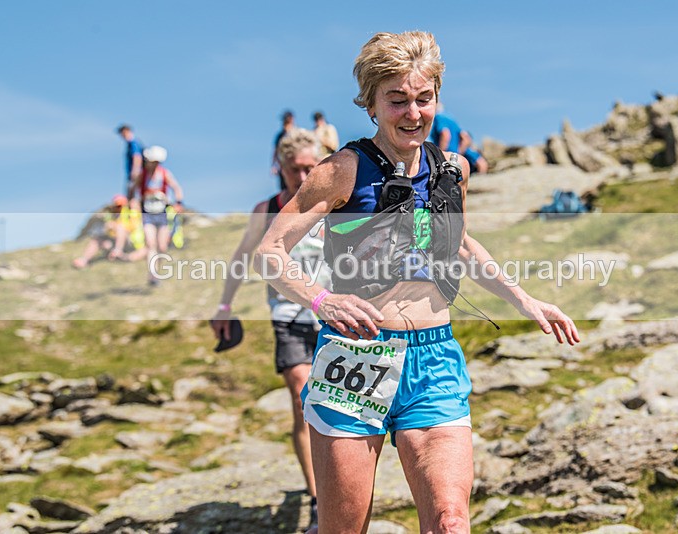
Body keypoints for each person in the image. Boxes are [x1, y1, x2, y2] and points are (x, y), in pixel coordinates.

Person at [255, 31, 579, 533]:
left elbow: (461, 245)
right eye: (397, 100)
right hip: (355, 356)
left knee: (450, 522)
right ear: (371, 105)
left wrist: (524, 299)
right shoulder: (342, 170)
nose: (412, 113)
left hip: (434, 358)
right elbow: (270, 251)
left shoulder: (453, 169)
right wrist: (322, 300)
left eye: (423, 99)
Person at [211, 129, 325, 529]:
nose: (303, 176)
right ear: (280, 167)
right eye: (295, 169)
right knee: (302, 397)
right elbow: (241, 257)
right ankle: (318, 498)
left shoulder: (336, 201)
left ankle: (341, 484)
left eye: (310, 167)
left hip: (335, 314)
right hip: (288, 316)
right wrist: (225, 306)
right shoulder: (267, 209)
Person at [128, 145, 184, 285]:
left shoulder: (164, 174)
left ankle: (157, 272)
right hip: (147, 213)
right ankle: (152, 275)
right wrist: (133, 201)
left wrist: (178, 203)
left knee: (162, 246)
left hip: (162, 212)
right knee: (151, 243)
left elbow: (176, 188)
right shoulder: (142, 175)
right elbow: (132, 189)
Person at [72, 195, 146, 269]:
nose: (119, 208)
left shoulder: (133, 214)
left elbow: (131, 227)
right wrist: (108, 227)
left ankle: (118, 252)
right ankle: (84, 260)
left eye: (121, 206)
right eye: (117, 205)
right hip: (114, 241)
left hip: (130, 242)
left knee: (120, 227)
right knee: (97, 240)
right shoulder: (111, 215)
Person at [431, 105, 489, 174]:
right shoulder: (450, 118)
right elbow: (464, 136)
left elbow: (445, 134)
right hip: (456, 154)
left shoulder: (439, 117)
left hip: (449, 154)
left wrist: (439, 155)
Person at [116, 124, 144, 190]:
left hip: (135, 174)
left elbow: (137, 156)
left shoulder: (133, 143)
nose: (122, 135)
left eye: (123, 133)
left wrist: (135, 171)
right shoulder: (130, 144)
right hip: (132, 173)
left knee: (132, 191)